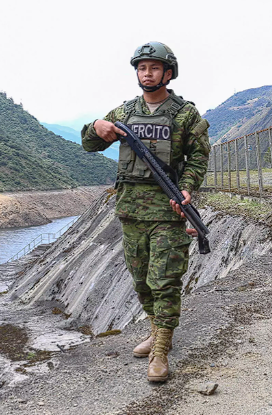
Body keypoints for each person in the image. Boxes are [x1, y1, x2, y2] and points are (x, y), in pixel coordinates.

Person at [81, 41, 210, 382]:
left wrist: (187, 187)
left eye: (154, 68)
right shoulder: (124, 113)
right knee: (141, 282)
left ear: (168, 73)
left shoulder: (185, 115)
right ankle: (156, 329)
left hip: (168, 211)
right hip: (131, 211)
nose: (147, 73)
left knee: (164, 281)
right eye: (142, 68)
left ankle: (161, 349)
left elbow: (198, 157)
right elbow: (90, 144)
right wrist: (96, 126)